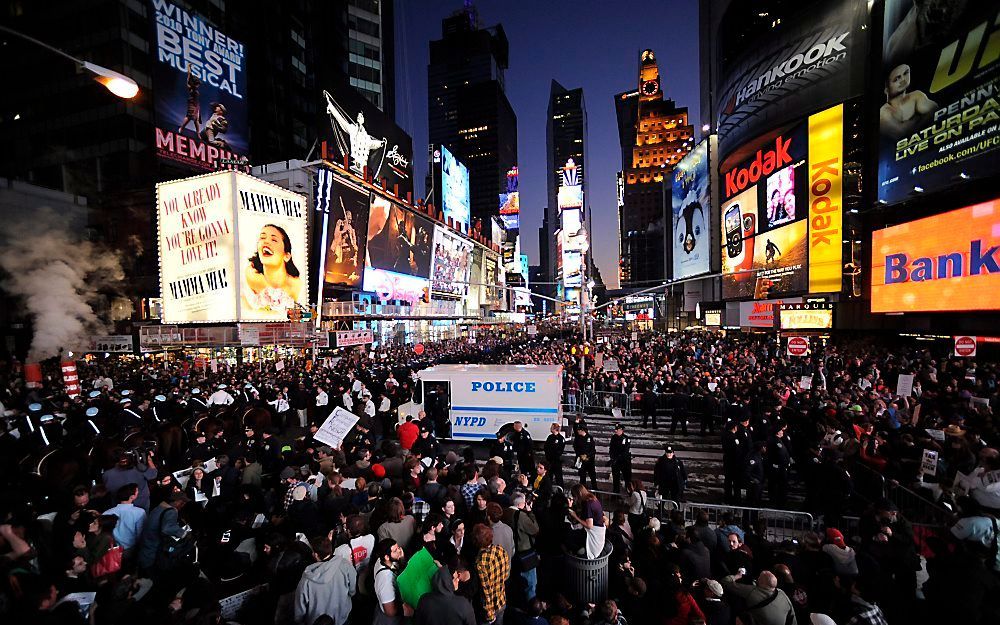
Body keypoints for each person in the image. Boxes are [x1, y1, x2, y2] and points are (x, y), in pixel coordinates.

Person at [293, 535, 358, 625]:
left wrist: (299, 621)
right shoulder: (345, 565)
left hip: (317, 621)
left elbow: (300, 608)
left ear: (315, 554)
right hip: (342, 616)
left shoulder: (307, 579)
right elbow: (352, 590)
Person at [243, 224, 303, 313]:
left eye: (274, 240)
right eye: (262, 238)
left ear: (286, 256)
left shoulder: (297, 285)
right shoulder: (250, 274)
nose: (266, 242)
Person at [879, 63, 936, 140]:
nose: (903, 79)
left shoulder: (916, 95)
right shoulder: (884, 112)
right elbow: (902, 134)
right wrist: (921, 116)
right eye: (897, 79)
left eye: (905, 73)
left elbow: (935, 110)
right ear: (886, 90)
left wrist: (909, 124)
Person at [136, 491, 189, 573]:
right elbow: (167, 528)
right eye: (182, 502)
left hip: (145, 545)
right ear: (176, 501)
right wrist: (184, 533)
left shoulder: (159, 507)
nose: (183, 505)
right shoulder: (171, 511)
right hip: (153, 549)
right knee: (149, 573)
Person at [722, 570, 797, 625]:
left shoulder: (752, 591)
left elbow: (726, 582)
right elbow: (792, 617)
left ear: (760, 582)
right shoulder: (782, 593)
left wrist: (738, 575)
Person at [473, 523, 510, 625]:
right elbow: (506, 574)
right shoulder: (501, 550)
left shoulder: (481, 562)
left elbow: (486, 590)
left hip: (490, 608)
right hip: (502, 600)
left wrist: (490, 613)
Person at [371, 537, 408, 625]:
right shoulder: (386, 581)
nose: (399, 551)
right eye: (395, 551)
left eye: (398, 547)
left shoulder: (382, 560)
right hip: (389, 617)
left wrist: (401, 559)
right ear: (387, 557)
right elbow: (390, 611)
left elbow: (397, 567)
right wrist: (405, 610)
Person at [102, 483, 146, 553]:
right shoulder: (140, 512)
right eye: (137, 492)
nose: (138, 493)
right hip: (131, 549)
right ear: (132, 496)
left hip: (112, 550)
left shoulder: (107, 512)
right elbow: (140, 534)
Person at [568, 483, 606, 559]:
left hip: (594, 535)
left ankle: (580, 553)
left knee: (570, 538)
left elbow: (589, 525)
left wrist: (574, 516)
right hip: (599, 532)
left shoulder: (587, 503)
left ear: (578, 495)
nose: (574, 498)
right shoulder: (592, 497)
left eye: (574, 496)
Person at [177, 65, 201, 135]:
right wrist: (196, 108)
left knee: (195, 119)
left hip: (195, 104)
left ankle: (197, 133)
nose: (198, 85)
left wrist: (188, 67)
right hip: (193, 104)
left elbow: (189, 76)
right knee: (189, 117)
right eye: (198, 84)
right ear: (195, 84)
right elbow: (189, 76)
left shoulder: (190, 86)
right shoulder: (193, 89)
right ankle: (181, 128)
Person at [609, 423, 632, 493]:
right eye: (615, 429)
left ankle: (629, 492)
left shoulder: (626, 438)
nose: (615, 431)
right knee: (616, 479)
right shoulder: (613, 438)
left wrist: (617, 457)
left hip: (624, 462)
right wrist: (612, 458)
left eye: (617, 429)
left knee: (627, 478)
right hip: (616, 462)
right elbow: (611, 449)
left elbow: (625, 451)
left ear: (621, 430)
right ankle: (616, 493)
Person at [573, 423, 598, 490]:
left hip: (590, 461)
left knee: (593, 476)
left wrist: (587, 455)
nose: (578, 431)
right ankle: (582, 490)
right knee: (582, 477)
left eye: (579, 430)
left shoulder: (590, 438)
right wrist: (580, 455)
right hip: (581, 460)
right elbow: (575, 448)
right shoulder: (577, 439)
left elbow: (593, 450)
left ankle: (595, 490)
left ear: (582, 430)